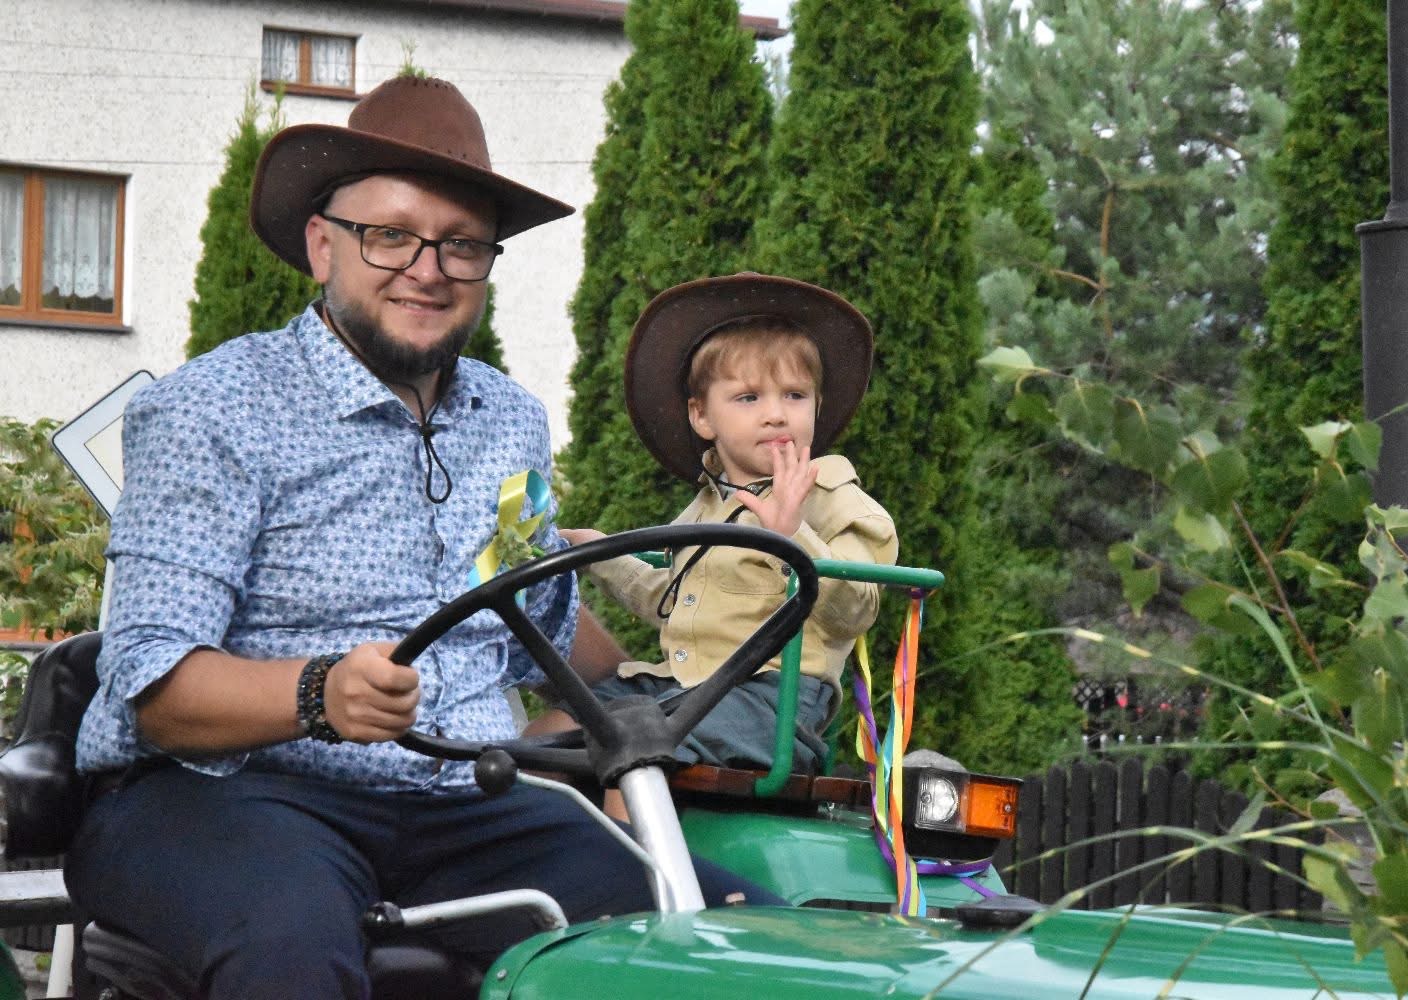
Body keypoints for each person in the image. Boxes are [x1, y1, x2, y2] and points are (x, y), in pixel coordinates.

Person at [64, 76, 776, 1000]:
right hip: (224, 797)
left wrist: (680, 687)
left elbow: (537, 621)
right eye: (390, 235)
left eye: (461, 243)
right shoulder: (213, 408)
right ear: (322, 244)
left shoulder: (510, 421)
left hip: (464, 805)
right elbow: (156, 690)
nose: (428, 268)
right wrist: (320, 692)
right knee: (290, 947)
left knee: (733, 941)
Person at [528, 273, 898, 791]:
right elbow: (675, 602)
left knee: (631, 749)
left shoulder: (835, 499)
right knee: (544, 740)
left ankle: (633, 847)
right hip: (685, 690)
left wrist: (793, 535)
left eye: (795, 395)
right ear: (702, 416)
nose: (776, 415)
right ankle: (545, 841)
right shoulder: (704, 510)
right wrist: (599, 553)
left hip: (768, 701)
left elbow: (854, 612)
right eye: (748, 398)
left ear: (816, 407)